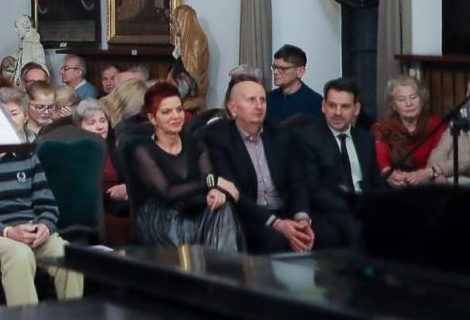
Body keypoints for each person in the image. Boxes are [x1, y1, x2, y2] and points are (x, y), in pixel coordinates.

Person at [0, 92, 83, 305]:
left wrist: (45, 225)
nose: (7, 121)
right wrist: (7, 231)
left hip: (30, 229)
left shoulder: (27, 155)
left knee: (69, 256)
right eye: (1, 115)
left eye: (14, 114)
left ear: (25, 117)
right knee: (19, 254)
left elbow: (46, 201)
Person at [125, 82, 243, 249]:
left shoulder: (195, 144)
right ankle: (204, 270)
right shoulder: (143, 150)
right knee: (192, 219)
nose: (176, 116)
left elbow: (208, 175)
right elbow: (168, 193)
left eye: (179, 109)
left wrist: (214, 190)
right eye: (166, 112)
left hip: (192, 208)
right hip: (161, 219)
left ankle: (223, 270)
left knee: (222, 207)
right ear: (152, 118)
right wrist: (212, 184)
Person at [205, 76, 315, 253]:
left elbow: (298, 181)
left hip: (286, 211)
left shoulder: (282, 135)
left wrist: (302, 219)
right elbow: (235, 193)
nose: (259, 106)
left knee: (324, 235)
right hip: (251, 217)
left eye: (262, 100)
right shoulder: (220, 140)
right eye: (251, 100)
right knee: (275, 241)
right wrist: (277, 224)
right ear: (232, 108)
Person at [294, 77, 383, 250]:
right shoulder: (308, 138)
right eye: (332, 105)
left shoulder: (365, 139)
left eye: (345, 106)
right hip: (329, 209)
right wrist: (355, 207)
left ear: (356, 110)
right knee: (356, 229)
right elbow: (313, 188)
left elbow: (375, 180)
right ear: (323, 106)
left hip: (365, 206)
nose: (337, 112)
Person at [71, 99, 130, 245]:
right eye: (91, 123)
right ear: (79, 127)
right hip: (95, 208)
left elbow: (133, 177)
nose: (99, 127)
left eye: (102, 121)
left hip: (124, 201)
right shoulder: (75, 152)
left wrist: (126, 188)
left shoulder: (116, 146)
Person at [374, 76, 447, 187]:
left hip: (428, 181)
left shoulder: (436, 125)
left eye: (413, 97)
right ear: (393, 105)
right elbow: (381, 159)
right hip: (395, 183)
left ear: (422, 101)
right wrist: (390, 175)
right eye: (401, 100)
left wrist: (427, 175)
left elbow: (441, 159)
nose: (409, 104)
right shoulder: (382, 127)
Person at [266, 44, 324, 128]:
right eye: (274, 67)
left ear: (300, 71)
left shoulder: (315, 102)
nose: (275, 72)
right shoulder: (268, 98)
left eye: (282, 68)